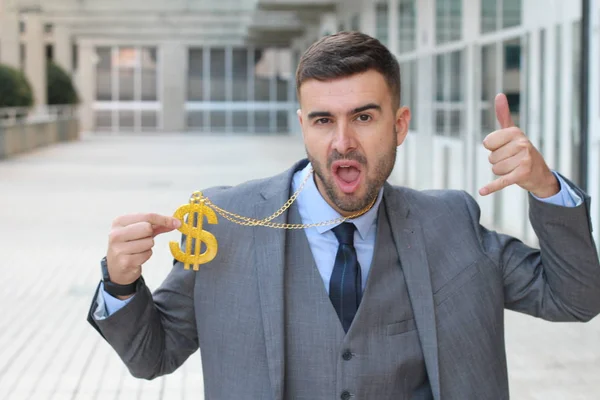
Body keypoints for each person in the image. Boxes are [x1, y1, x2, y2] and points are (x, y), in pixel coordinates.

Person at [87, 32, 600, 399]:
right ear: (303, 126)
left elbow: (575, 298)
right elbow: (152, 356)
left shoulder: (451, 223)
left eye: (364, 117)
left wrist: (545, 188)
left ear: (399, 125)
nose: (343, 142)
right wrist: (122, 283)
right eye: (323, 120)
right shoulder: (226, 221)